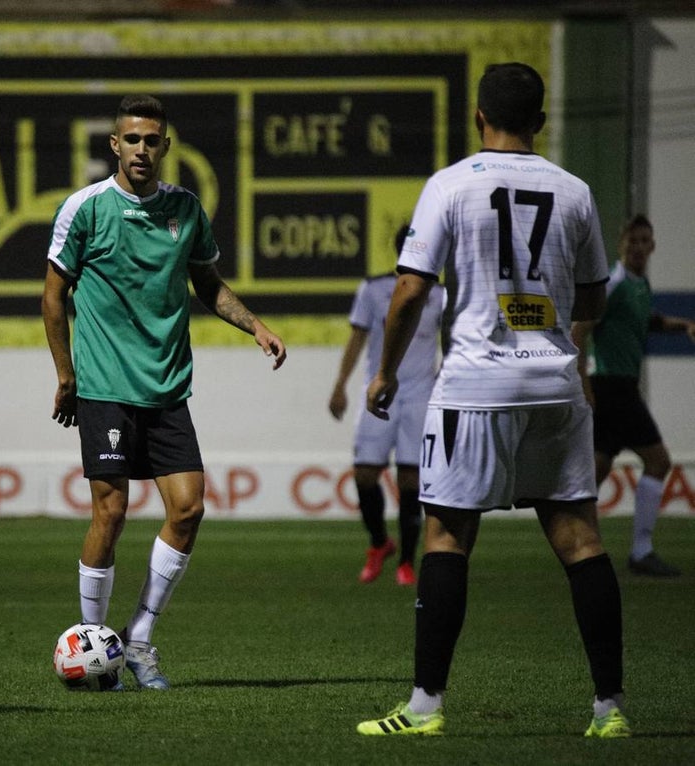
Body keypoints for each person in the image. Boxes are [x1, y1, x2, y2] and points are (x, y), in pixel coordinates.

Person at [356, 63, 629, 738]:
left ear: (478, 116)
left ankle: (425, 708)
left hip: (474, 385)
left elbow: (412, 292)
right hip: (556, 384)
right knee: (580, 537)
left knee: (448, 535)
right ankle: (610, 710)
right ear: (542, 121)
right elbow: (596, 294)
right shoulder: (575, 192)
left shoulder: (450, 185)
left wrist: (385, 370)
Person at [42, 94, 286, 690]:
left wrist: (254, 324)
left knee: (189, 507)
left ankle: (141, 637)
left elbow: (208, 283)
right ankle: (93, 642)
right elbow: (53, 296)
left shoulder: (186, 209)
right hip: (105, 386)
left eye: (153, 140)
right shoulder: (86, 209)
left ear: (166, 146)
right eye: (132, 140)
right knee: (113, 510)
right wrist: (66, 375)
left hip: (167, 387)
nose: (142, 150)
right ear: (114, 145)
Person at [329, 224, 444, 586]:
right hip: (377, 389)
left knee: (410, 479)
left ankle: (407, 562)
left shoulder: (440, 295)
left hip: (421, 393)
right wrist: (340, 385)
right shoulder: (374, 289)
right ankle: (380, 543)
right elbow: (357, 339)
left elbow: (454, 339)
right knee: (365, 473)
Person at [581, 214, 695, 577]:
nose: (639, 247)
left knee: (595, 472)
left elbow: (649, 319)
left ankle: (580, 547)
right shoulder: (614, 283)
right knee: (659, 461)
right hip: (612, 387)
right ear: (621, 245)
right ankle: (641, 551)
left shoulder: (638, 285)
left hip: (615, 386)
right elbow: (581, 326)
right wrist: (581, 380)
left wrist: (684, 326)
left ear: (653, 246)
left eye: (645, 241)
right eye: (633, 241)